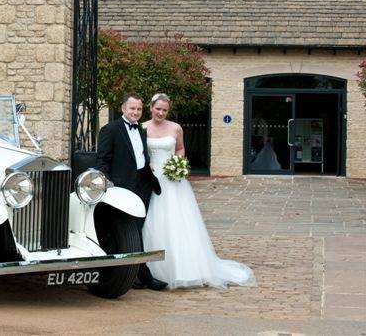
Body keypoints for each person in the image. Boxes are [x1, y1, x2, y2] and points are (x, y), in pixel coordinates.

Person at [141, 93, 256, 290]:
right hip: (151, 180)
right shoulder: (142, 127)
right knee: (154, 223)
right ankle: (152, 271)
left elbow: (180, 149)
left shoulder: (175, 128)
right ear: (151, 107)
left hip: (172, 181)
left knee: (178, 223)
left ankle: (185, 269)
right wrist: (148, 164)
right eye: (157, 108)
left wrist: (177, 164)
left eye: (164, 110)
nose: (160, 113)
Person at [96, 92, 166, 291]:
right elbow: (102, 160)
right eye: (132, 108)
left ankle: (135, 274)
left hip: (143, 184)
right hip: (123, 187)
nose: (135, 112)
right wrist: (109, 185)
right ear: (123, 109)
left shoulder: (141, 130)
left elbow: (140, 155)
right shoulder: (110, 129)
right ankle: (144, 276)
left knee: (139, 228)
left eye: (138, 109)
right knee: (131, 231)